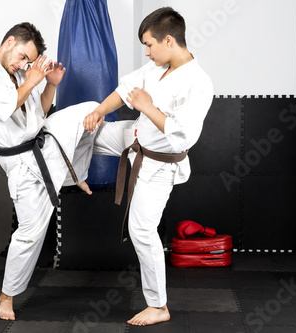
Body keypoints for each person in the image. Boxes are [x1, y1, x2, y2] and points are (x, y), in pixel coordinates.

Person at [83, 7, 213, 326]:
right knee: (82, 125)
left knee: (141, 230)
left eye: (149, 44)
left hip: (159, 164)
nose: (146, 52)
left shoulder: (198, 82)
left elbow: (184, 135)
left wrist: (147, 107)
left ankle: (158, 306)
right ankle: (66, 171)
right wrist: (100, 111)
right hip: (135, 138)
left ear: (168, 40)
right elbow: (125, 88)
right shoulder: (157, 68)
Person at [0, 22, 98, 321]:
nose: (23, 63)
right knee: (29, 233)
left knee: (92, 110)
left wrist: (50, 83)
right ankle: (5, 298)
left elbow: (39, 112)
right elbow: (6, 109)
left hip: (43, 142)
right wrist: (33, 77)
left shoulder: (19, 72)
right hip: (20, 162)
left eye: (28, 60)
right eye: (23, 56)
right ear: (10, 41)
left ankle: (76, 175)